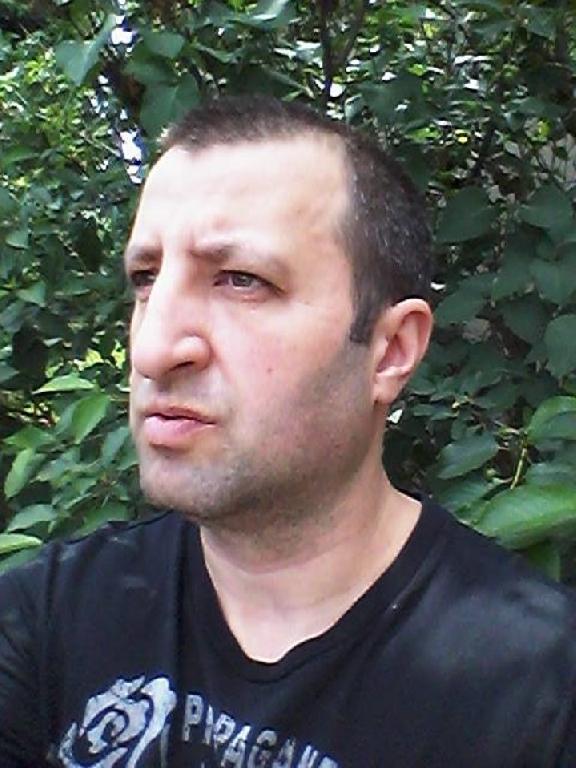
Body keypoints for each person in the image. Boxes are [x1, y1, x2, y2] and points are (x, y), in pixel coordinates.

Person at [1, 95, 575, 768]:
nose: (153, 349)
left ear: (389, 352)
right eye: (146, 279)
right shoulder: (43, 621)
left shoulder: (542, 692)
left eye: (241, 280)